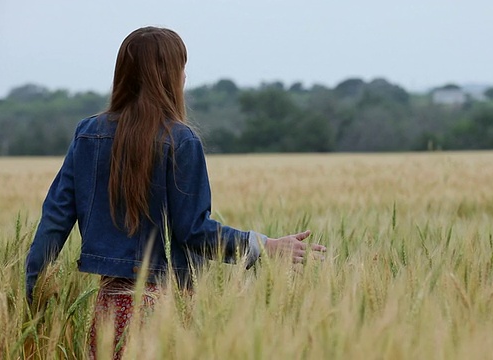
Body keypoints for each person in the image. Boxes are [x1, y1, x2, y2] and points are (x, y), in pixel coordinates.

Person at [25, 26, 326, 359]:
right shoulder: (180, 140)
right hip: (163, 310)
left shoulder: (87, 134)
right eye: (181, 66)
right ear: (168, 76)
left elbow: (54, 221)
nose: (185, 76)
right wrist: (264, 246)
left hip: (109, 312)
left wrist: (32, 296)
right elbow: (193, 230)